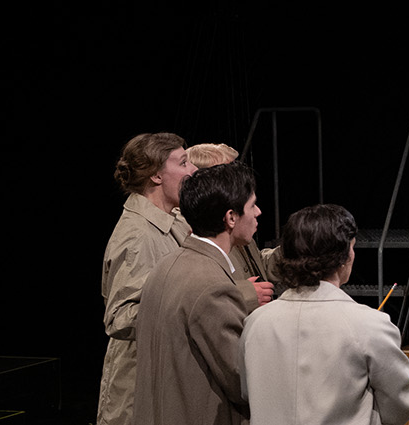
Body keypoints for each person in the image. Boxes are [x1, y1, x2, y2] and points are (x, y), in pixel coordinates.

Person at [243, 204, 409, 425]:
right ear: (344, 256)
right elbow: (403, 400)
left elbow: (247, 391)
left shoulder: (256, 322)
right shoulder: (369, 325)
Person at [130, 162, 263, 425]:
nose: (258, 212)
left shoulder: (167, 264)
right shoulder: (213, 286)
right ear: (231, 218)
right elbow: (240, 380)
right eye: (252, 206)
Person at [100, 132, 196, 425]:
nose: (191, 170)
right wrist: (194, 305)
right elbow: (120, 318)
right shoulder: (139, 235)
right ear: (156, 175)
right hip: (138, 392)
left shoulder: (173, 219)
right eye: (183, 162)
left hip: (162, 379)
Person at [186, 142, 277, 303]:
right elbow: (194, 293)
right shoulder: (193, 229)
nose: (237, 180)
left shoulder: (236, 220)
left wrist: (293, 251)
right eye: (225, 174)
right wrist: (244, 293)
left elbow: (256, 266)